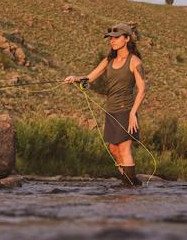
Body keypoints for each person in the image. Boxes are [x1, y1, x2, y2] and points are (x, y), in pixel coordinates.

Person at [63, 23, 147, 187]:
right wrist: (74, 78)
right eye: (111, 38)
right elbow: (89, 78)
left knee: (124, 149)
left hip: (126, 110)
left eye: (116, 38)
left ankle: (128, 188)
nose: (112, 41)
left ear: (127, 38)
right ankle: (133, 183)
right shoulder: (108, 60)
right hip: (111, 110)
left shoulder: (134, 61)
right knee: (114, 150)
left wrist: (132, 113)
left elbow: (142, 89)